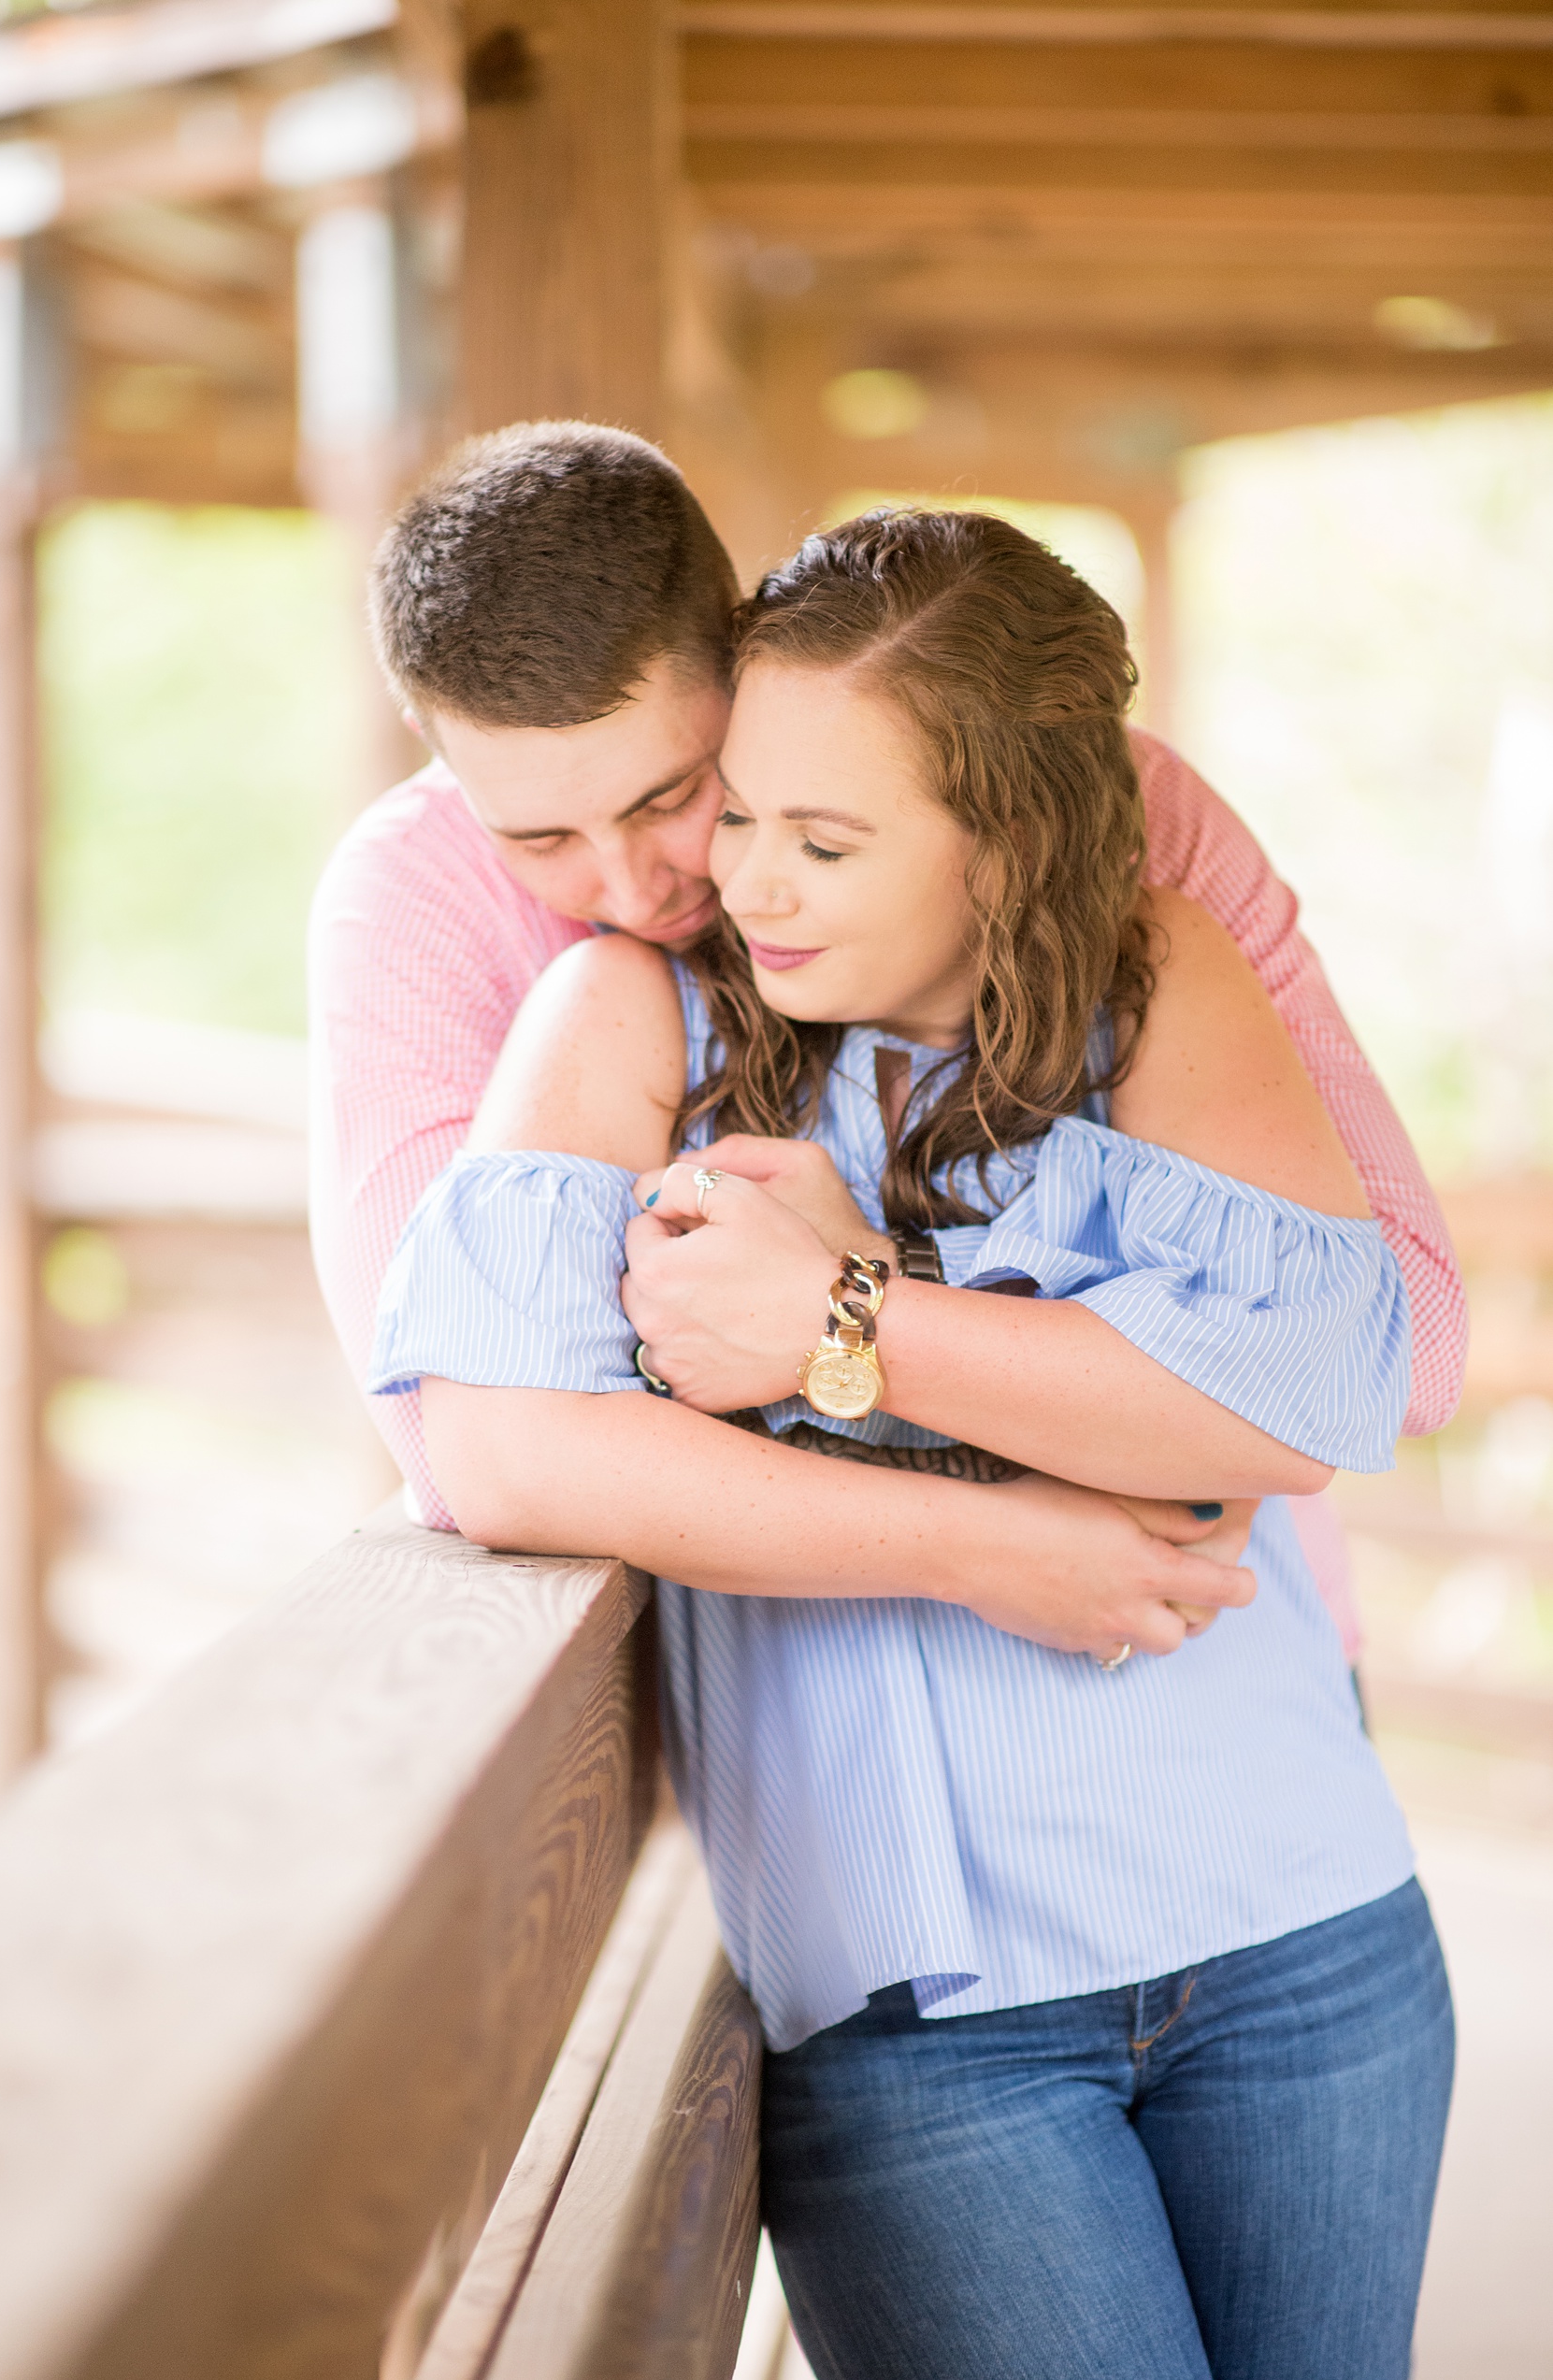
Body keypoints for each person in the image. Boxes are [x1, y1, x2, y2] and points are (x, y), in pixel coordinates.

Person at [367, 508, 1453, 2380]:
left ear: (994, 840)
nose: (725, 880)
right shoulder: (623, 1016)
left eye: (814, 828)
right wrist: (996, 1533)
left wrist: (842, 1322)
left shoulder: (1154, 973)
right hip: (927, 2023)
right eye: (745, 819)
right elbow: (498, 1451)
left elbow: (1327, 1393)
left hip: (1306, 1933)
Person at [308, 422, 1466, 1653]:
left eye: (682, 794)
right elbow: (469, 1439)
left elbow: (1408, 1349)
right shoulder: (417, 899)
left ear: (744, 658)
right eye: (538, 841)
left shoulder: (1098, 806)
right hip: (840, 1770)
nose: (642, 886)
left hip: (1206, 1654)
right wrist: (985, 1536)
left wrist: (839, 1310)